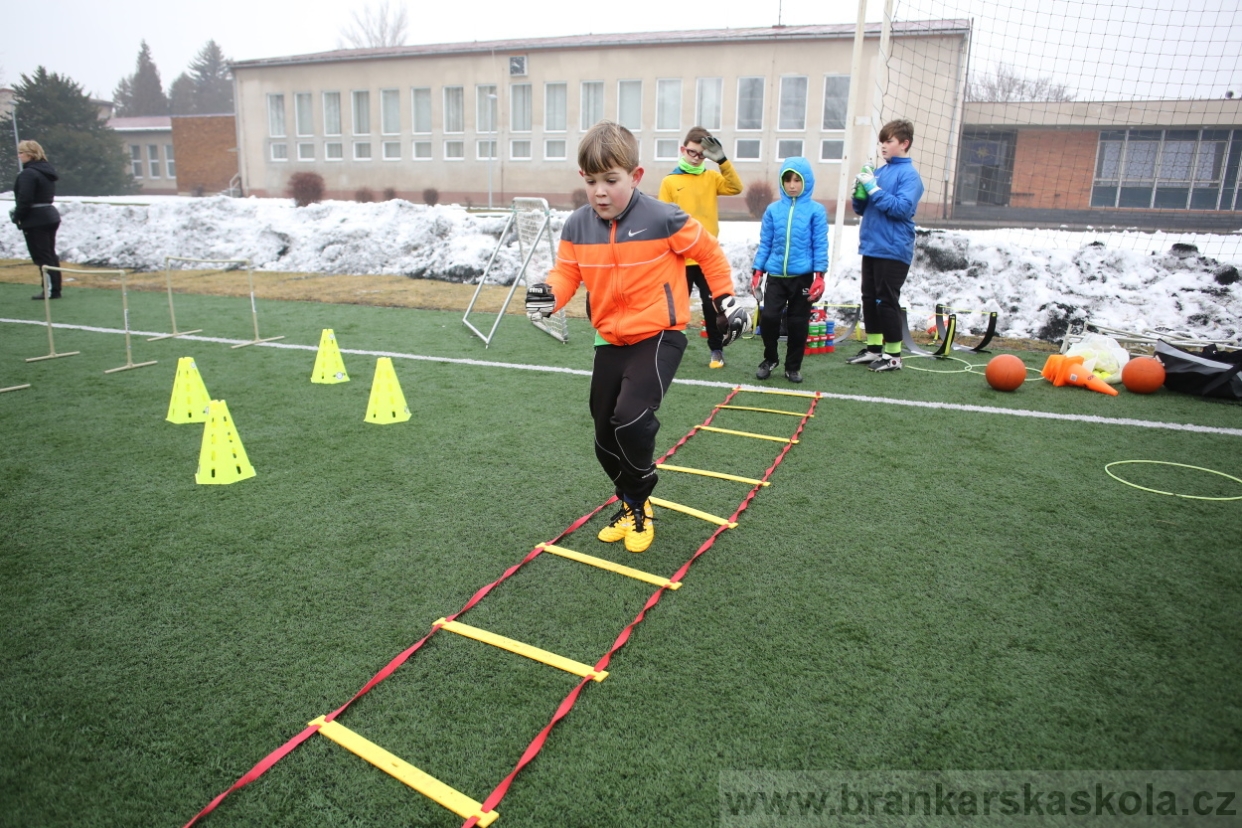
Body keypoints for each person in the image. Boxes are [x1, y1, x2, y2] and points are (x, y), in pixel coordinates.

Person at [525, 121, 749, 553]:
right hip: (609, 339)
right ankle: (631, 505)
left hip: (659, 334)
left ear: (636, 176)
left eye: (611, 180)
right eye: (591, 181)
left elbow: (708, 252)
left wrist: (725, 299)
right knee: (603, 438)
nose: (600, 191)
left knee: (629, 418)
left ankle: (641, 493)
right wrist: (547, 296)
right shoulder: (576, 225)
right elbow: (567, 272)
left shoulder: (663, 217)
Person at [657, 127, 743, 369]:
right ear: (683, 150)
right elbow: (663, 221)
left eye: (701, 155)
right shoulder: (670, 181)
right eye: (692, 152)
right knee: (674, 308)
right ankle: (666, 349)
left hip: (706, 259)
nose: (696, 157)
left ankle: (716, 350)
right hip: (678, 259)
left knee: (712, 307)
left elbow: (736, 187)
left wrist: (723, 160)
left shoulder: (712, 178)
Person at [846, 119, 925, 372]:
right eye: (881, 141)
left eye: (888, 141)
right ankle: (874, 349)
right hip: (871, 246)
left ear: (904, 143)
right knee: (869, 298)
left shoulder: (910, 175)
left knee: (886, 300)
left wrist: (874, 188)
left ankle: (893, 355)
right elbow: (863, 209)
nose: (883, 146)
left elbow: (901, 209)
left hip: (894, 248)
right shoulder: (879, 172)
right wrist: (859, 193)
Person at [750, 156, 828, 384]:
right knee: (770, 319)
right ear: (782, 182)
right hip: (776, 277)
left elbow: (820, 244)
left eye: (797, 180)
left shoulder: (816, 211)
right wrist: (757, 272)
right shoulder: (773, 210)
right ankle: (770, 358)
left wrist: (819, 276)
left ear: (807, 182)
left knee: (797, 324)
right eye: (787, 180)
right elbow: (765, 243)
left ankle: (793, 367)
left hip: (802, 279)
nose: (792, 185)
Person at [10, 140, 63, 300]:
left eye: (21, 152)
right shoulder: (46, 171)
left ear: (30, 154)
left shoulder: (29, 174)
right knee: (49, 254)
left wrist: (17, 216)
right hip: (48, 215)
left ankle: (50, 290)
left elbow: (25, 198)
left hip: (36, 219)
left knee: (42, 256)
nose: (19, 156)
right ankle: (54, 287)